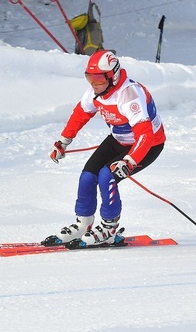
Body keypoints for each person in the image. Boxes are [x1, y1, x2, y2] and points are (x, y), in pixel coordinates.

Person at [43, 50, 166, 247]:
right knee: (88, 176)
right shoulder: (96, 91)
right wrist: (63, 141)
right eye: (89, 77)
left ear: (113, 75)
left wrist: (129, 161)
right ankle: (83, 224)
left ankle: (109, 229)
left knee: (106, 176)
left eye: (99, 78)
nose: (94, 83)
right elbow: (80, 114)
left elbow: (145, 134)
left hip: (147, 145)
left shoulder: (129, 94)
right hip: (118, 139)